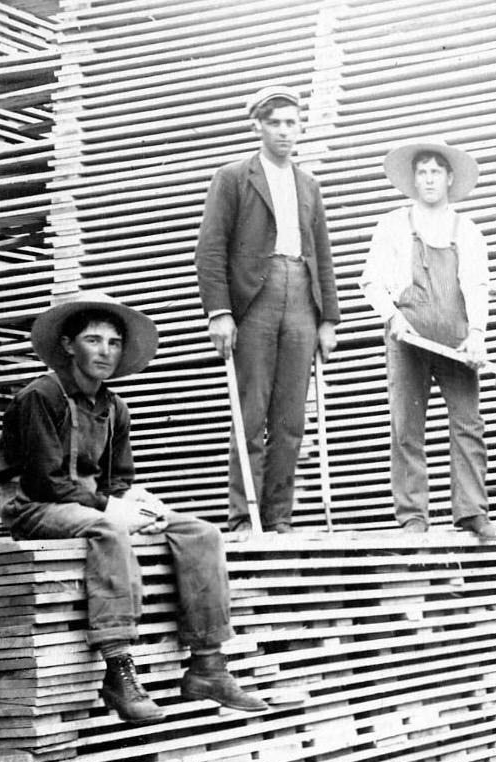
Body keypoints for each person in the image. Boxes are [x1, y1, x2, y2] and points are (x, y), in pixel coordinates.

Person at [0, 293, 268, 724]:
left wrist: (139, 504)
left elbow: (117, 479)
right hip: (35, 507)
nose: (104, 351)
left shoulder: (113, 406)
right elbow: (43, 480)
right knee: (107, 530)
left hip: (92, 504)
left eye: (114, 343)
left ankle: (208, 664)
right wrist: (112, 509)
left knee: (199, 531)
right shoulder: (40, 397)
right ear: (68, 346)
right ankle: (118, 669)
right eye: (93, 340)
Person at [195, 83, 340, 534]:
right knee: (251, 410)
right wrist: (219, 311)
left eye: (291, 123)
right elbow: (211, 249)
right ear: (257, 125)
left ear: (301, 129)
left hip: (300, 295)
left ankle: (278, 518)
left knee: (291, 416)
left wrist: (329, 319)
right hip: (254, 297)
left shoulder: (308, 184)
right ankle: (244, 517)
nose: (283, 131)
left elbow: (322, 254)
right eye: (274, 122)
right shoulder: (234, 177)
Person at [357, 137, 495, 537]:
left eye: (437, 171)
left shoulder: (467, 230)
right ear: (414, 180)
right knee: (406, 427)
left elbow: (477, 285)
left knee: (468, 423)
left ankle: (471, 510)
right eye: (422, 172)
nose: (429, 178)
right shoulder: (394, 225)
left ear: (450, 178)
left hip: (455, 340)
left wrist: (477, 334)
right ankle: (413, 516)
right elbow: (371, 281)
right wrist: (392, 317)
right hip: (408, 338)